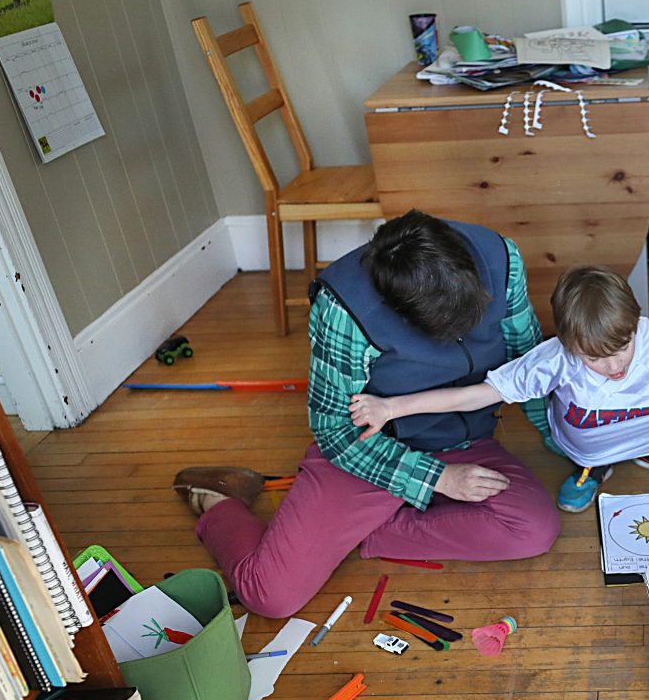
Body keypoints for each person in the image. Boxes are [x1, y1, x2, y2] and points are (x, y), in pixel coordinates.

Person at [170, 211, 561, 618]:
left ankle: (364, 530)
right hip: (372, 448)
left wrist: (557, 434)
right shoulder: (343, 308)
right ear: (404, 311)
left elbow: (527, 364)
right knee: (271, 596)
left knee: (533, 530)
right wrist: (437, 479)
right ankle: (217, 501)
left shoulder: (500, 258)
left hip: (464, 438)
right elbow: (336, 431)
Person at [349, 265, 649, 512]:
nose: (614, 367)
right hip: (586, 451)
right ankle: (593, 469)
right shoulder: (554, 359)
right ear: (568, 343)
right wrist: (390, 408)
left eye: (623, 348)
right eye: (595, 358)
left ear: (634, 325)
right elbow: (476, 394)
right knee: (586, 464)